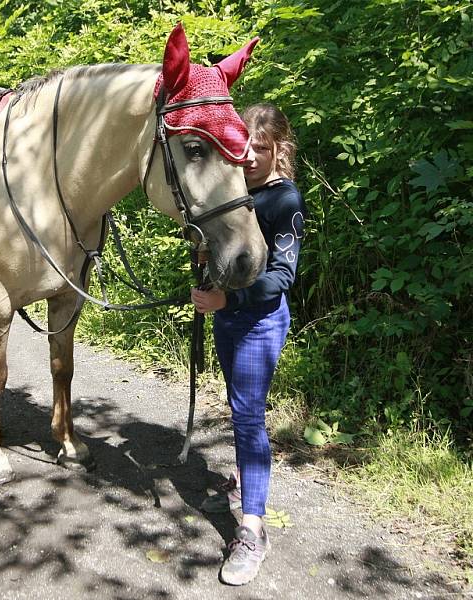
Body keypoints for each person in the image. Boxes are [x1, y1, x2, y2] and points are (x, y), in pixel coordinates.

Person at [191, 103, 306, 585]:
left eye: (261, 149)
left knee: (248, 414)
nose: (252, 158)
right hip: (228, 319)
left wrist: (224, 297)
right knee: (241, 407)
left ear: (279, 149)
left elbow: (281, 276)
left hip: (259, 322)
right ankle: (242, 481)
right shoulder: (231, 194)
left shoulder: (285, 200)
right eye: (244, 149)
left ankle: (253, 529)